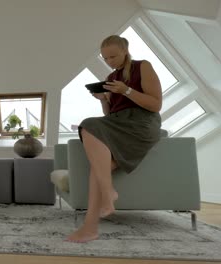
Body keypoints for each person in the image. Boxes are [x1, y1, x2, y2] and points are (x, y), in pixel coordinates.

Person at [67, 35, 162, 243]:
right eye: (105, 58)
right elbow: (110, 117)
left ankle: (108, 191)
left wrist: (126, 90)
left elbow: (155, 105)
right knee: (98, 167)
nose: (110, 61)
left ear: (125, 50)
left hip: (142, 122)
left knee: (88, 125)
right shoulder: (111, 77)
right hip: (118, 123)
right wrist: (103, 99)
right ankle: (90, 228)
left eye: (113, 56)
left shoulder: (142, 66)